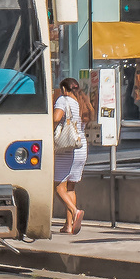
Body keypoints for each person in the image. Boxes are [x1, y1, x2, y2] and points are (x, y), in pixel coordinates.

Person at [53, 77, 91, 235]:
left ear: (63, 89)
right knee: (70, 187)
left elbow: (56, 118)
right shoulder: (81, 101)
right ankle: (68, 226)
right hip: (80, 147)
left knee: (57, 186)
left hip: (66, 148)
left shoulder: (63, 100)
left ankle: (75, 212)